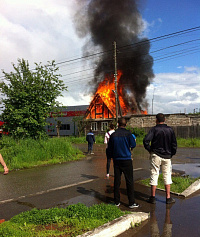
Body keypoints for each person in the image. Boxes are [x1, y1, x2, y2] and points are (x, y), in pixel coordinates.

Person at [143, 113, 177, 204]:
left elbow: (146, 141)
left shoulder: (154, 129)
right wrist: (172, 153)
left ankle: (152, 198)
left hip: (156, 155)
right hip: (167, 156)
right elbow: (174, 144)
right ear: (164, 120)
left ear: (156, 120)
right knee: (167, 175)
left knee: (154, 174)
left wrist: (150, 150)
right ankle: (168, 198)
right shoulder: (170, 130)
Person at [107, 118, 139, 208]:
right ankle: (131, 202)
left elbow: (109, 149)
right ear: (126, 125)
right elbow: (133, 145)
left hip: (117, 160)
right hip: (127, 160)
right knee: (129, 181)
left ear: (117, 124)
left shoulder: (113, 135)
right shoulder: (129, 134)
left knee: (117, 181)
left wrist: (111, 157)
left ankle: (116, 201)